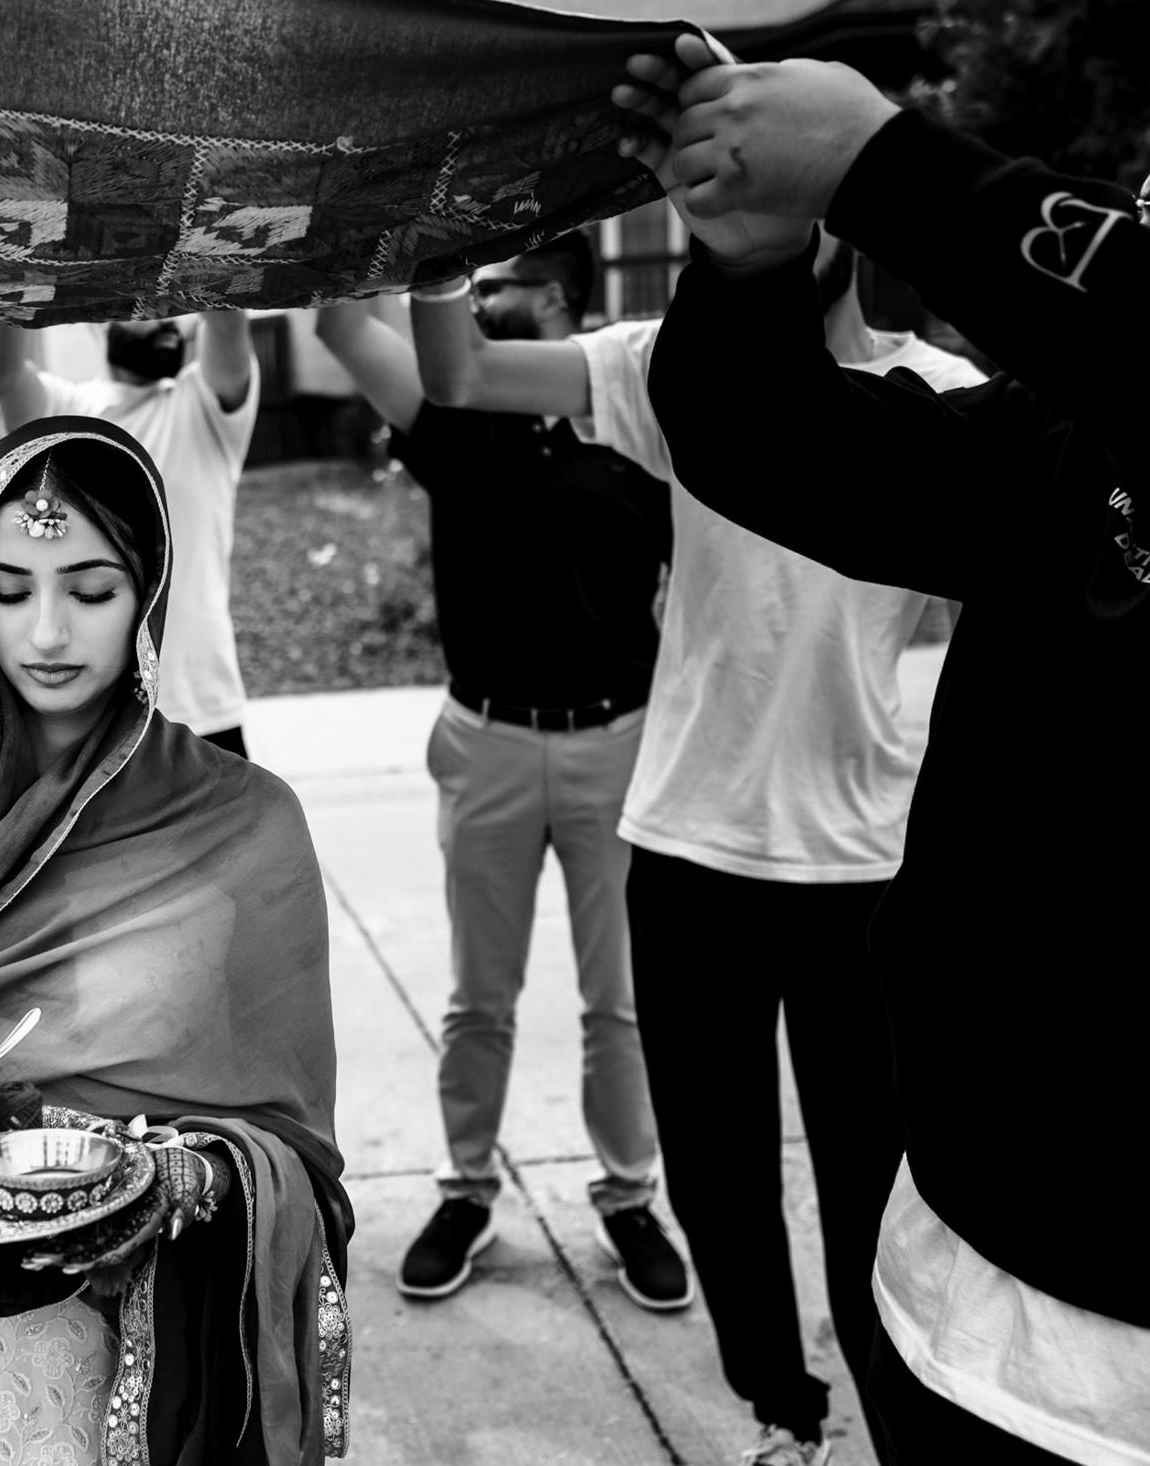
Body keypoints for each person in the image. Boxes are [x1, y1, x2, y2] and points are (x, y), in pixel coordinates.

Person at [618, 35, 1150, 1465]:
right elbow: (786, 449)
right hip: (959, 1311)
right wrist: (746, 264)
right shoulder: (1075, 450)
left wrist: (890, 165)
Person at [408, 191, 984, 1461]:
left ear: (834, 228)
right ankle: (784, 1415)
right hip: (685, 847)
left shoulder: (934, 395)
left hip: (860, 865)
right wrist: (438, 244)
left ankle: (896, 1426)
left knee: (871, 1190)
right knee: (719, 1184)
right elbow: (456, 366)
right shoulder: (678, 375)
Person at [0, 418, 352, 1465]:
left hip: (141, 1339)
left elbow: (292, 1139)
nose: (47, 632)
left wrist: (185, 1181)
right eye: (8, 591)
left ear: (148, 595)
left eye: (89, 591)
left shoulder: (242, 825)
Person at [315, 233, 689, 1311]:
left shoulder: (636, 426)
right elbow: (343, 324)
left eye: (502, 282)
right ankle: (467, 1187)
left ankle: (628, 1195)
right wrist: (402, 217)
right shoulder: (451, 413)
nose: (477, 300)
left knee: (617, 1003)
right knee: (480, 997)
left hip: (615, 747)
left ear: (562, 293)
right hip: (483, 742)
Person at [0, 313, 259, 754]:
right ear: (99, 322)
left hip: (202, 711)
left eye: (181, 310)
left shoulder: (204, 404)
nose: (174, 322)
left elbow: (226, 323)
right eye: (155, 307)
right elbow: (4, 372)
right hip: (90, 720)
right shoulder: (61, 409)